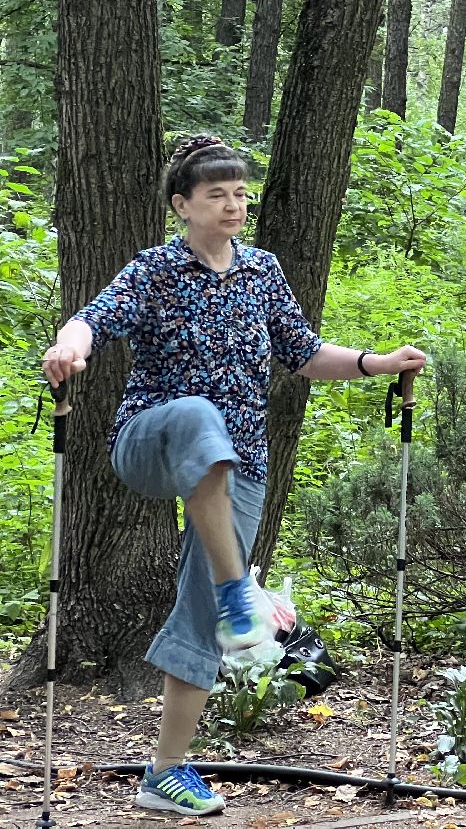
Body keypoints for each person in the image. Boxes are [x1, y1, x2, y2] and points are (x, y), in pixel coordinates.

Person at [40, 136, 427, 816]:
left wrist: (377, 362)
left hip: (241, 460)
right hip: (153, 439)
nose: (233, 203)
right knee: (196, 416)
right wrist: (71, 345)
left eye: (241, 192)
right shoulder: (154, 270)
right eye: (216, 193)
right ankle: (240, 592)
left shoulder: (263, 272)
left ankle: (166, 771)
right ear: (181, 204)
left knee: (202, 614)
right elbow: (94, 320)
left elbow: (303, 355)